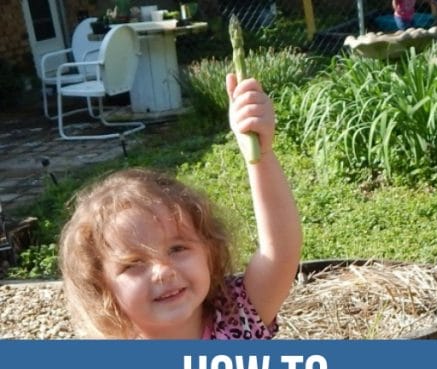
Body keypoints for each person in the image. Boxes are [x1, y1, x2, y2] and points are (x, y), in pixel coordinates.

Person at [59, 75, 302, 339]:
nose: (163, 271)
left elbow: (282, 248)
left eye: (177, 248)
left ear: (209, 251)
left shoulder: (239, 313)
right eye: (133, 264)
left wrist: (260, 155)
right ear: (102, 286)